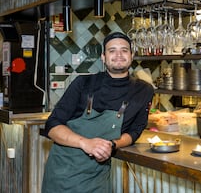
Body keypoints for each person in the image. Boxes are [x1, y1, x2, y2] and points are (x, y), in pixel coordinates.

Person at [42, 32, 154, 193]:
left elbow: (135, 130)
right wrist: (85, 143)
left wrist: (112, 145)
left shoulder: (143, 90)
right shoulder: (84, 82)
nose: (118, 55)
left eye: (124, 50)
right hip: (64, 173)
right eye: (112, 50)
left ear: (132, 55)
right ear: (103, 57)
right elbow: (52, 125)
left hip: (98, 176)